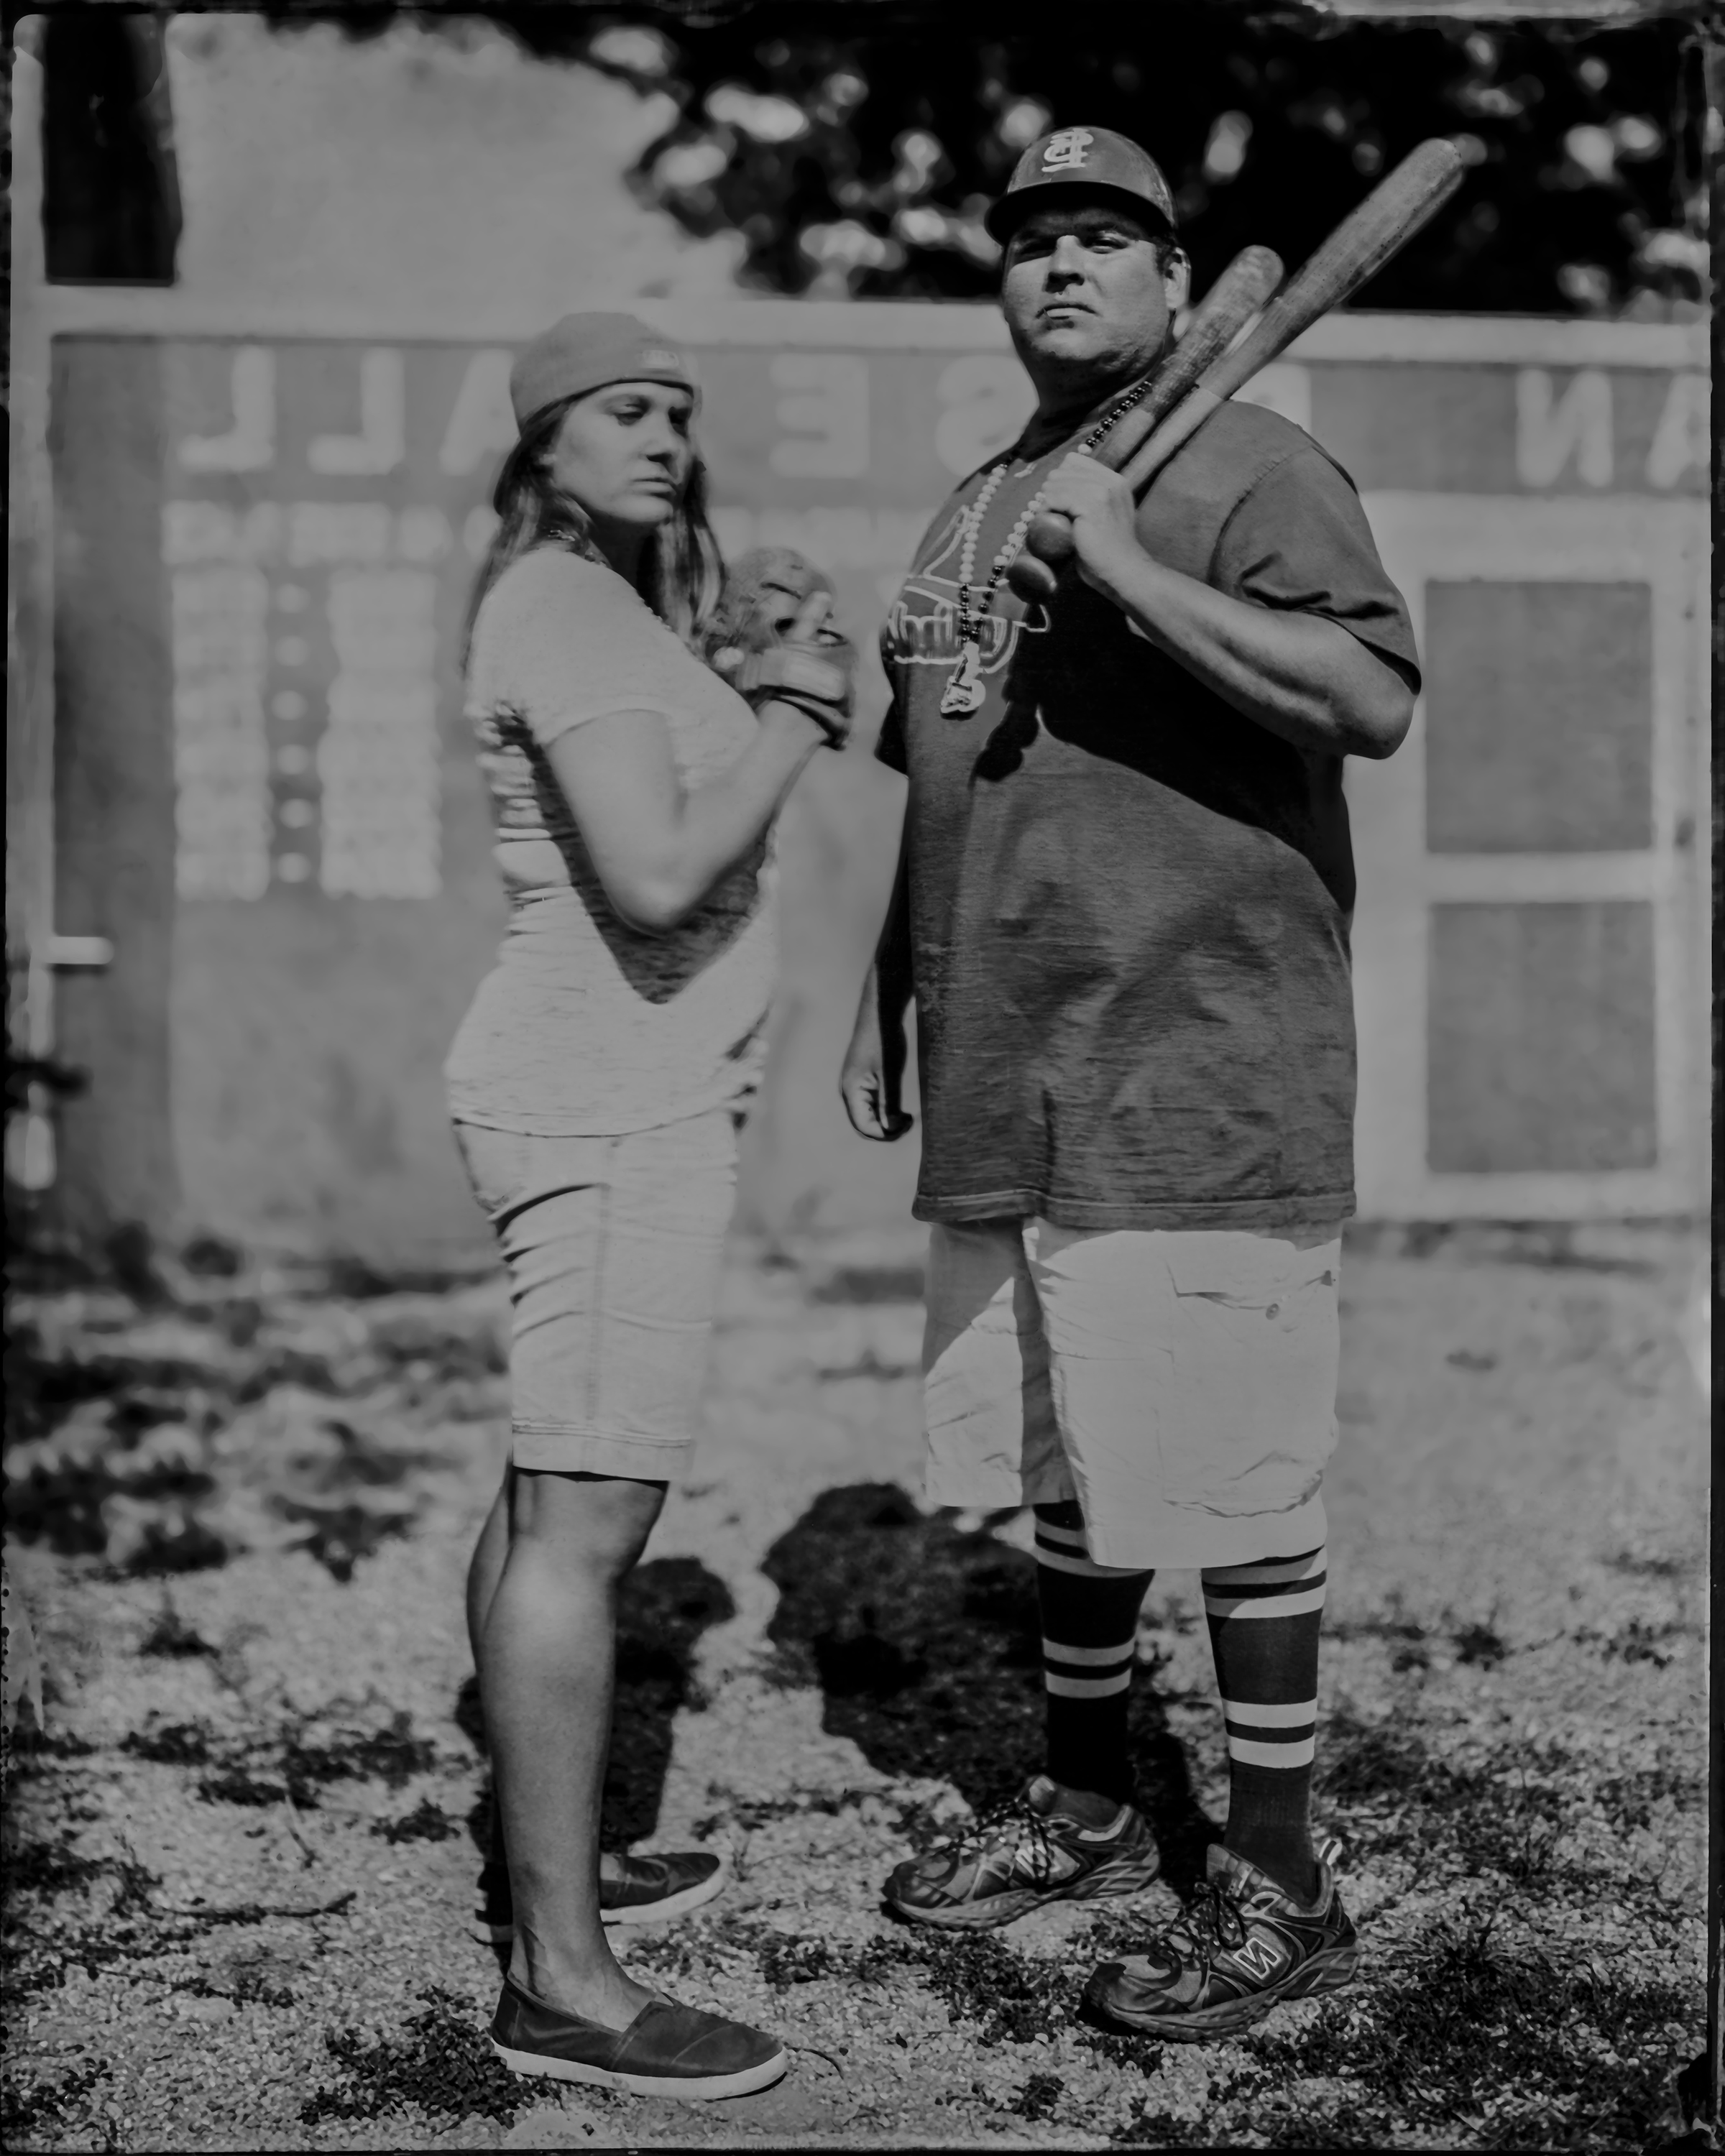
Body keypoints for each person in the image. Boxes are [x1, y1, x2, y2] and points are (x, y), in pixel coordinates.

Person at [841, 126, 1420, 2040]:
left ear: (1181, 282)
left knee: (1241, 1479)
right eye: (1030, 241)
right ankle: (1091, 1809)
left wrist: (1126, 567)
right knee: (1068, 1461)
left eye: (1107, 238)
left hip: (1195, 1050)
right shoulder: (972, 502)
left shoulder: (1250, 461)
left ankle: (1278, 1885)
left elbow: (1370, 699)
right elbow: (939, 759)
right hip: (1013, 1057)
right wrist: (885, 993)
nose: (1062, 265)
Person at [446, 313, 851, 2097]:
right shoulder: (557, 602)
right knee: (588, 1525)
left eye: (681, 412)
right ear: (542, 441)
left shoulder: (596, 603)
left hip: (617, 1085)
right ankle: (561, 1981)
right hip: (608, 1100)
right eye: (624, 411)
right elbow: (661, 866)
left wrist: (734, 659)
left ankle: (559, 1869)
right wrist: (794, 711)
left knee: (552, 1481)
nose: (666, 437)